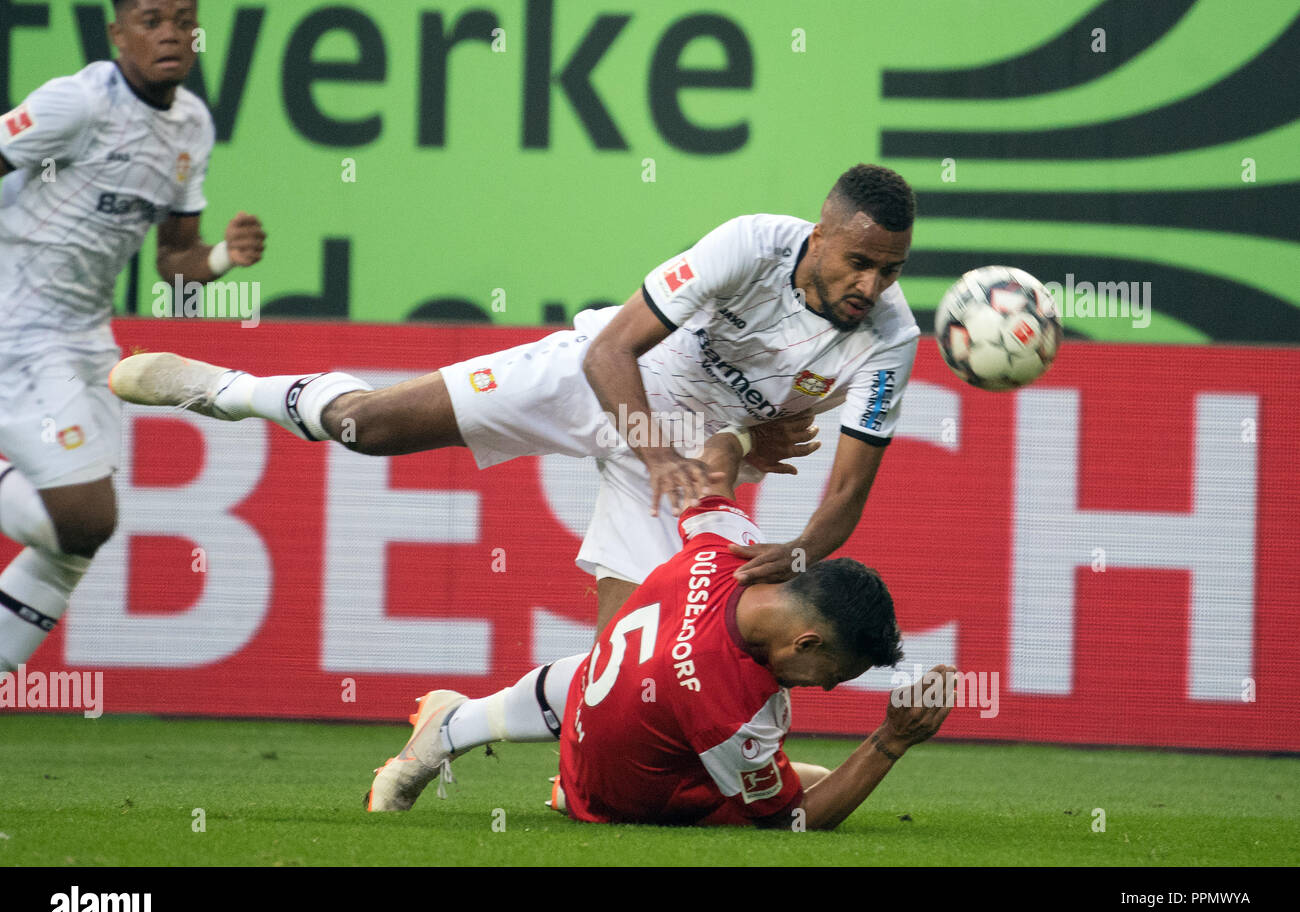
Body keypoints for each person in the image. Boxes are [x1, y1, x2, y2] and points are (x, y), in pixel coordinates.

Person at [110, 163, 918, 633]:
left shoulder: (890, 335)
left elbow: (848, 490)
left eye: (890, 270)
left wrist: (804, 547)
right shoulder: (751, 244)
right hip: (607, 385)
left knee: (634, 659)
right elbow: (612, 349)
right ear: (820, 233)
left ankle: (532, 767)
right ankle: (224, 388)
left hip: (684, 453)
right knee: (368, 426)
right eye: (859, 261)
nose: (872, 284)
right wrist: (657, 447)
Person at [366, 429, 954, 829]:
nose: (825, 688)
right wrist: (889, 742)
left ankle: (464, 723)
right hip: (614, 802)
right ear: (807, 641)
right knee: (821, 786)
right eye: (831, 674)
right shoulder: (731, 706)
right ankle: (574, 786)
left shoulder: (726, 552)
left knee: (627, 665)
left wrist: (746, 432)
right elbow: (792, 821)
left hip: (599, 732)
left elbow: (713, 474)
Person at [0, 0, 266, 673]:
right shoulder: (77, 104)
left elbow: (174, 265)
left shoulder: (193, 125)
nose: (170, 32)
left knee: (76, 543)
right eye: (151, 20)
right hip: (16, 325)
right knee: (86, 516)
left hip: (83, 337)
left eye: (182, 19)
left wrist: (225, 260)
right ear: (117, 34)